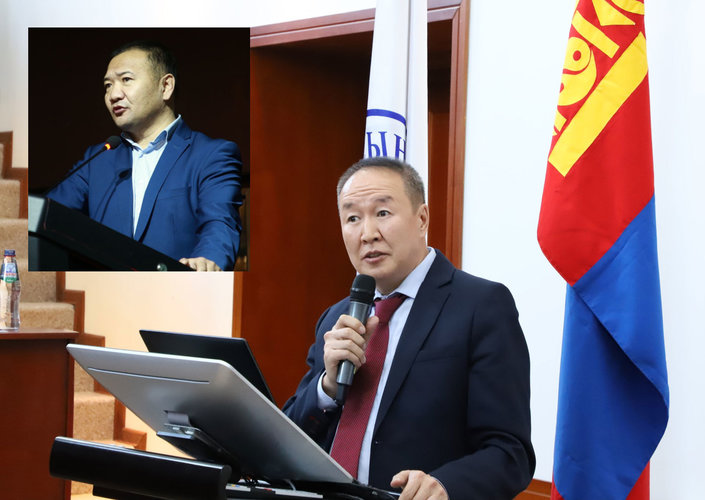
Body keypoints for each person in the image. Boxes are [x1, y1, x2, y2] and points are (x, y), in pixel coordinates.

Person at [283, 157, 535, 499]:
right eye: (352, 218)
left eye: (383, 213)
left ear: (422, 219)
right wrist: (326, 386)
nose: (368, 233)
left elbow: (510, 452)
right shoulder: (335, 318)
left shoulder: (481, 306)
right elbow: (288, 438)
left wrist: (445, 485)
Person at [47, 40, 242, 271]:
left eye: (126, 80)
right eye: (108, 85)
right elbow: (48, 214)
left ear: (166, 86)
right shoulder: (97, 159)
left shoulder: (211, 155)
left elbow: (220, 223)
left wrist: (207, 261)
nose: (113, 95)